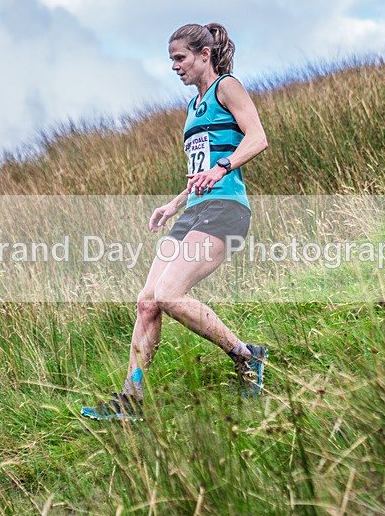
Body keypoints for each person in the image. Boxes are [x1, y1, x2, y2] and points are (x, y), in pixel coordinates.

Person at [81, 23, 269, 421]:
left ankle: (247, 355)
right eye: (170, 60)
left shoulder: (227, 88)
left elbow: (257, 138)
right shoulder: (192, 107)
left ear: (204, 55)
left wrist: (222, 168)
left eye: (179, 58)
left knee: (168, 294)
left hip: (226, 210)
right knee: (147, 302)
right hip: (194, 211)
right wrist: (175, 202)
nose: (174, 67)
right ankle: (130, 401)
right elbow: (199, 170)